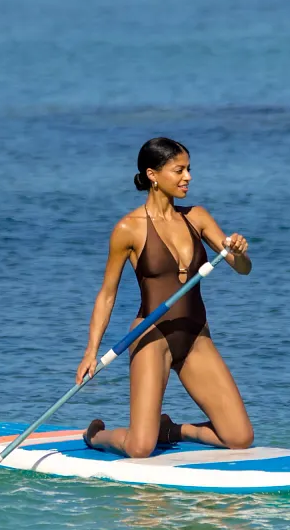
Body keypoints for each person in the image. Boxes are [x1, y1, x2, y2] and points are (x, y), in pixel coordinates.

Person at [77, 137, 253, 459]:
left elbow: (242, 269)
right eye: (179, 170)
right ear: (153, 175)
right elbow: (107, 294)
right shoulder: (128, 228)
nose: (188, 177)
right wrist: (91, 352)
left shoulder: (197, 217)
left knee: (239, 438)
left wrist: (239, 253)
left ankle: (171, 430)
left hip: (195, 336)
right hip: (152, 336)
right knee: (140, 448)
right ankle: (97, 434)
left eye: (189, 169)